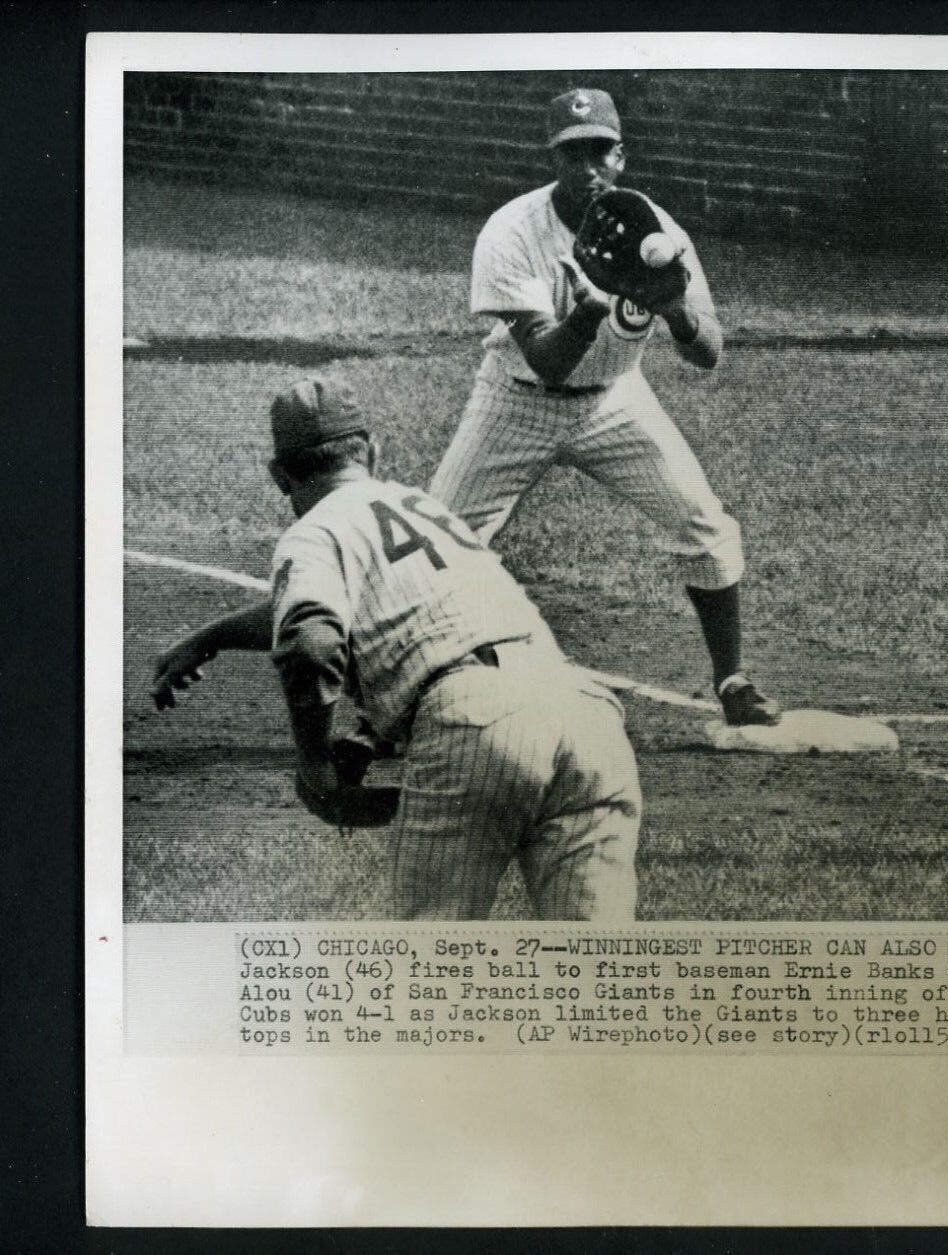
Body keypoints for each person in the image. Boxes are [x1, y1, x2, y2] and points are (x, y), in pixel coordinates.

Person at [151, 378, 642, 920]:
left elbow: (311, 640)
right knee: (600, 974)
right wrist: (214, 637)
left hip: (481, 722)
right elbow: (389, 614)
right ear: (372, 450)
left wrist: (314, 762)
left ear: (278, 474)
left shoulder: (315, 530)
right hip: (586, 714)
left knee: (433, 970)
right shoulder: (424, 507)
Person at [427, 86, 780, 727]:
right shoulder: (511, 232)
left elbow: (710, 352)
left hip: (616, 400)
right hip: (517, 402)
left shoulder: (658, 231)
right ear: (553, 159)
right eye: (572, 154)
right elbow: (549, 362)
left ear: (621, 156)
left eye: (599, 152)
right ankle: (408, 697)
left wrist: (675, 311)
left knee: (706, 526)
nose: (587, 167)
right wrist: (596, 300)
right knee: (442, 543)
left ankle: (733, 681)